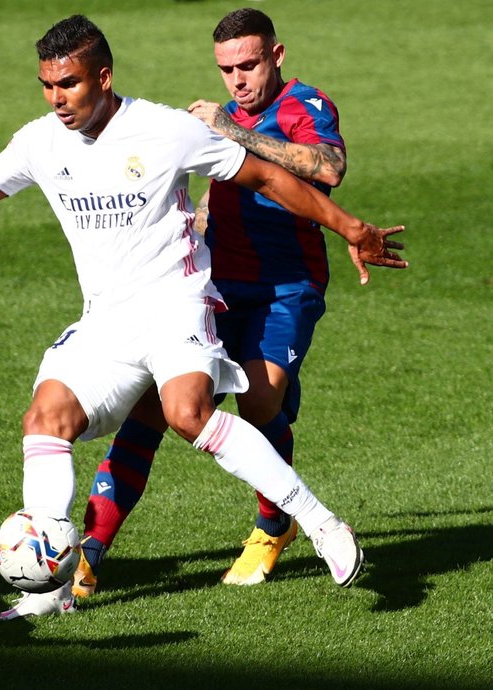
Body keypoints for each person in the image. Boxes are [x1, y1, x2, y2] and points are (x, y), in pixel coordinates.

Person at [0, 15, 405, 620]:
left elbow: (268, 176)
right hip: (107, 323)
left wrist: (352, 227)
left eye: (69, 84)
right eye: (47, 85)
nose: (57, 99)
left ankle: (320, 524)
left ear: (104, 77)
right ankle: (52, 582)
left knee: (186, 413)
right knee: (45, 418)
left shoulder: (165, 129)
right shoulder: (41, 140)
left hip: (177, 306)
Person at [73, 7, 371, 598]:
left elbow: (329, 168)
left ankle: (272, 524)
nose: (237, 80)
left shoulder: (303, 106)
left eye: (249, 64)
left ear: (276, 57)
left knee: (258, 401)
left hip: (286, 286)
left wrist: (230, 131)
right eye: (226, 68)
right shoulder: (219, 117)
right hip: (212, 288)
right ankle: (89, 552)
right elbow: (216, 198)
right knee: (150, 409)